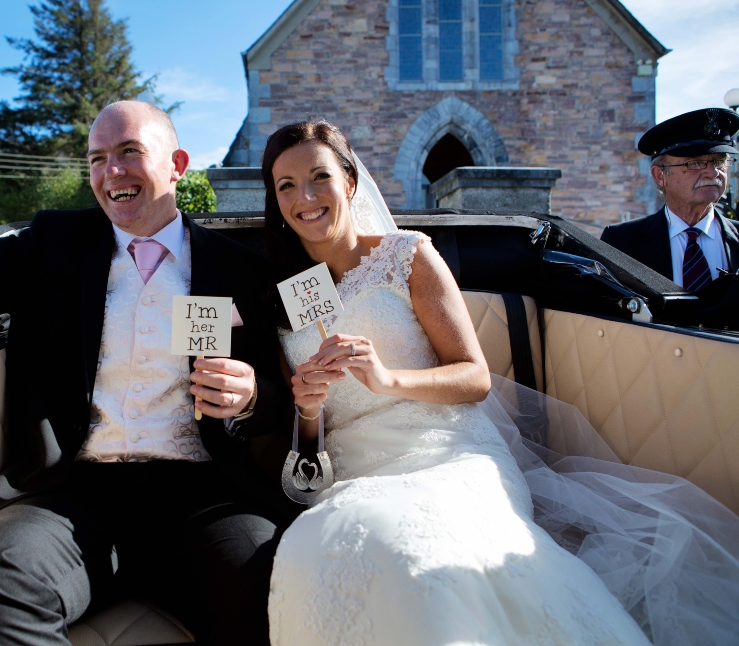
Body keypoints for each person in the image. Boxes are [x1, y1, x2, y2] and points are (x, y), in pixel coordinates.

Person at [262, 119, 739, 646]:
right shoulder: (286, 297)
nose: (304, 197)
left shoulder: (408, 255)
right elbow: (306, 437)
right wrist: (306, 408)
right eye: (286, 185)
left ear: (350, 182)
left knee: (414, 553)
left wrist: (387, 377)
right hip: (351, 473)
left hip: (445, 453)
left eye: (319, 177)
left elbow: (473, 377)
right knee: (324, 547)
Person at [0, 101, 290, 645]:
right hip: (78, 493)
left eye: (129, 151)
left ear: (177, 163)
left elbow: (288, 392)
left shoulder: (238, 267)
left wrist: (252, 396)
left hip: (201, 495)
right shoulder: (53, 245)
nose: (112, 172)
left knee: (278, 581)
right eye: (97, 159)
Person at [601, 108, 739, 291]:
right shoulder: (622, 243)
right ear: (660, 176)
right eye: (696, 163)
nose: (713, 172)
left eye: (720, 162)